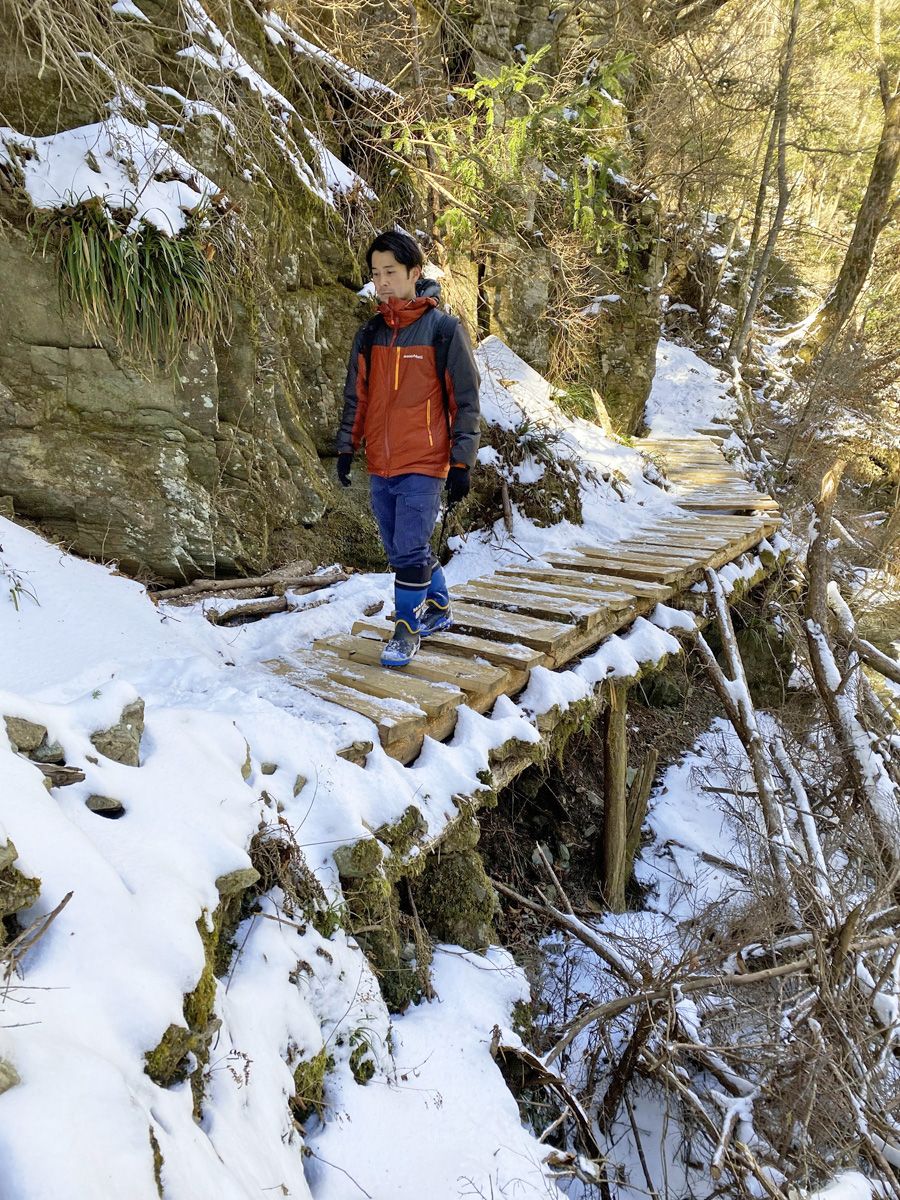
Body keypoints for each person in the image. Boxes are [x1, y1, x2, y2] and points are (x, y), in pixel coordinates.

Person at [335, 230, 481, 668]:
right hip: (381, 462)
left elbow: (466, 401)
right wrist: (347, 447)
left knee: (410, 548)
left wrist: (461, 462)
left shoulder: (443, 331)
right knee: (401, 550)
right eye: (376, 274)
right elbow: (356, 397)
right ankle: (437, 606)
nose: (382, 282)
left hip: (425, 461)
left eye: (391, 272)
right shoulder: (371, 334)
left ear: (415, 273)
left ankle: (406, 628)